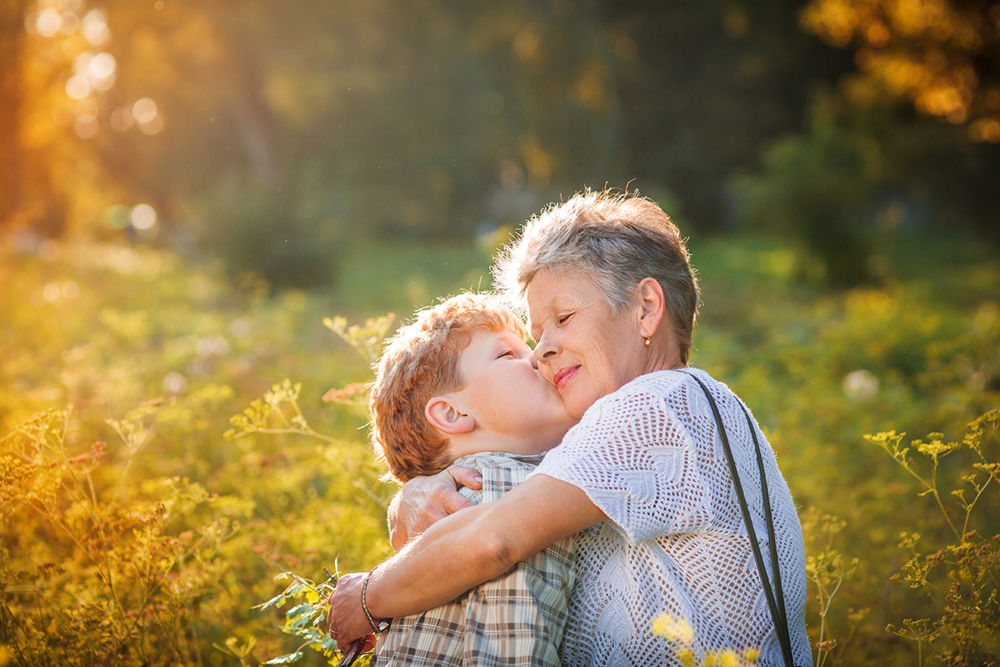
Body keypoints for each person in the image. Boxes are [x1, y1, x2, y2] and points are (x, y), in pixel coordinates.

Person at [329, 190, 812, 666]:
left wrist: (367, 599)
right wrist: (415, 491)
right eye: (537, 336)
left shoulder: (658, 404)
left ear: (645, 307)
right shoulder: (608, 440)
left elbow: (493, 539)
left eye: (563, 318)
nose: (541, 352)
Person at [361, 293, 579, 666]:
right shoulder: (501, 484)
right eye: (507, 355)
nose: (537, 355)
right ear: (451, 413)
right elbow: (513, 650)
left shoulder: (462, 493)